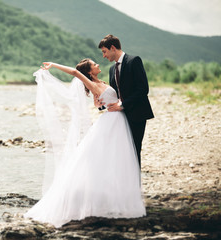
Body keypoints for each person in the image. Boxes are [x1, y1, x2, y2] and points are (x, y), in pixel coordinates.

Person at [24, 58, 146, 228]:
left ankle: (113, 197)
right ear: (89, 72)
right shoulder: (91, 83)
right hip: (111, 122)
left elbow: (104, 103)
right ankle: (99, 200)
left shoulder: (101, 82)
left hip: (116, 120)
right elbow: (75, 72)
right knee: (102, 158)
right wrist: (53, 65)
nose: (97, 65)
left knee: (115, 158)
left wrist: (102, 104)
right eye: (94, 64)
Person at [98, 34, 154, 166]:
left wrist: (122, 105)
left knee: (134, 151)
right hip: (119, 117)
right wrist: (101, 104)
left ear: (113, 48)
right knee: (121, 151)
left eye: (104, 52)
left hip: (137, 114)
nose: (104, 56)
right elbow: (114, 94)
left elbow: (143, 89)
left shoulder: (134, 61)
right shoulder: (112, 69)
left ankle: (135, 185)